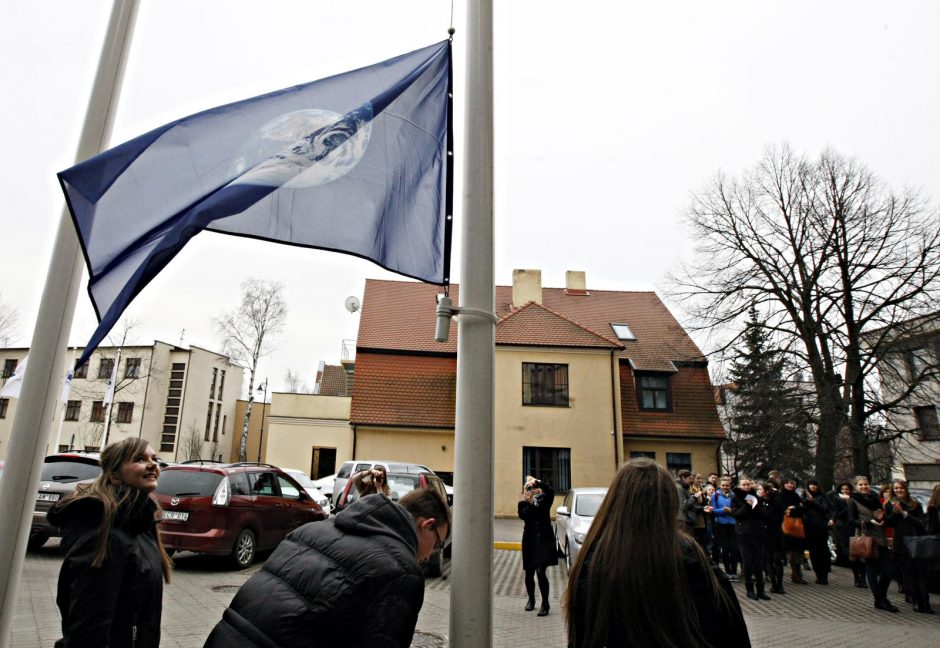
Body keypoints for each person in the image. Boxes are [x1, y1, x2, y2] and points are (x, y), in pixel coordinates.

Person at [204, 488, 451, 646]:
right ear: (425, 524)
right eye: (437, 543)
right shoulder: (402, 572)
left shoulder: (312, 530)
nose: (430, 555)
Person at [563, 458, 750, 648]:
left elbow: (582, 632)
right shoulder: (687, 553)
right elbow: (727, 625)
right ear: (668, 502)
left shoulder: (595, 556)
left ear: (615, 500)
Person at [47, 438, 172, 648]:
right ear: (114, 476)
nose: (152, 464)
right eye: (140, 459)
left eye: (154, 458)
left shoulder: (141, 524)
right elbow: (88, 630)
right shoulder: (105, 533)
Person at [848, 475, 898, 612]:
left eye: (866, 484)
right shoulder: (853, 500)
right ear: (856, 487)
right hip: (867, 537)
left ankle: (881, 597)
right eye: (860, 485)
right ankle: (880, 600)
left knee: (888, 571)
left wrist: (884, 518)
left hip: (880, 537)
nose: (864, 487)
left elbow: (883, 515)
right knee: (872, 569)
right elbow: (852, 520)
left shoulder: (875, 498)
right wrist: (868, 522)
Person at [884, 479, 932, 613]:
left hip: (916, 541)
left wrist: (905, 514)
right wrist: (895, 512)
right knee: (908, 573)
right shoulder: (890, 504)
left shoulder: (914, 504)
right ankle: (915, 601)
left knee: (921, 574)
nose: (899, 490)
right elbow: (889, 523)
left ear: (906, 489)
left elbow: (921, 523)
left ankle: (925, 602)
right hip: (901, 543)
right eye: (896, 488)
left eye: (901, 488)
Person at [518, 476, 558, 616]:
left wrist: (538, 482)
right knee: (529, 572)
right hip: (530, 540)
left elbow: (551, 491)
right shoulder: (523, 504)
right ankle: (531, 600)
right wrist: (527, 501)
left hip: (544, 540)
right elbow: (523, 516)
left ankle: (545, 604)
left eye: (533, 488)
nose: (532, 490)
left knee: (541, 571)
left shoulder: (545, 500)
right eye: (529, 488)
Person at [732, 477, 770, 601]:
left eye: (748, 484)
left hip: (758, 533)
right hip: (744, 534)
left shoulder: (756, 498)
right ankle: (749, 589)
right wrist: (747, 505)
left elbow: (763, 515)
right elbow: (737, 515)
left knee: (758, 562)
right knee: (747, 562)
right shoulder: (735, 498)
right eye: (743, 485)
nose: (746, 487)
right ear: (739, 485)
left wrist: (755, 505)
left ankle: (761, 590)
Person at [830, 480, 866, 587]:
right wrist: (847, 504)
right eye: (843, 489)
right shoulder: (836, 499)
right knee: (853, 555)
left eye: (847, 489)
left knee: (862, 554)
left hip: (857, 528)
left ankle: (863, 578)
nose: (845, 491)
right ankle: (856, 578)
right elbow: (838, 514)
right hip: (845, 529)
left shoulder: (855, 499)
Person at [802, 479, 833, 584]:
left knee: (823, 551)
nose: (813, 487)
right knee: (813, 553)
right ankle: (818, 574)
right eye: (810, 485)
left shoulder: (823, 497)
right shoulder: (804, 498)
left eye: (815, 485)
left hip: (821, 528)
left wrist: (813, 502)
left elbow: (825, 509)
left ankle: (824, 575)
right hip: (809, 528)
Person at [760, 481, 786, 594]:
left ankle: (779, 584)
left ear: (765, 491)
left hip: (774, 534)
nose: (758, 492)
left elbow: (777, 519)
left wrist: (764, 516)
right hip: (763, 534)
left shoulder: (776, 503)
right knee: (768, 560)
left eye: (760, 489)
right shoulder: (758, 503)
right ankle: (773, 584)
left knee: (777, 560)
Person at [779, 477, 807, 585]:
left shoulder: (796, 495)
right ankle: (794, 573)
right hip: (787, 527)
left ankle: (797, 572)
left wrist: (794, 508)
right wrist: (796, 509)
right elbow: (785, 511)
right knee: (791, 550)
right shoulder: (781, 496)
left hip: (798, 526)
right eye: (788, 483)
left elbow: (802, 509)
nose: (790, 485)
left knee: (798, 550)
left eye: (792, 483)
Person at [710, 477, 739, 580]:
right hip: (721, 525)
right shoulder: (715, 495)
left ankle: (735, 572)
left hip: (733, 524)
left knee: (734, 549)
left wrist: (731, 511)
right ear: (719, 485)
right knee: (725, 549)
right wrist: (723, 510)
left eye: (727, 485)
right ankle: (728, 572)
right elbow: (713, 510)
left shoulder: (734, 495)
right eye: (723, 485)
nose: (725, 487)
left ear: (730, 485)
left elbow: (737, 509)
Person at [675, 469, 698, 534]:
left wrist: (702, 508)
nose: (691, 480)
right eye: (689, 478)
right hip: (683, 521)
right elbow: (683, 506)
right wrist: (694, 497)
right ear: (683, 478)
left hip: (685, 520)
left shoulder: (684, 487)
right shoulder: (678, 487)